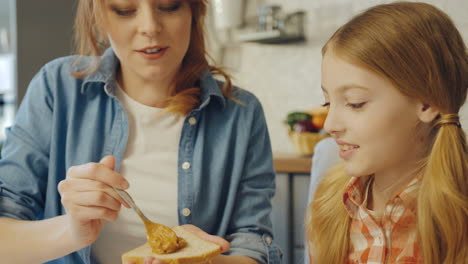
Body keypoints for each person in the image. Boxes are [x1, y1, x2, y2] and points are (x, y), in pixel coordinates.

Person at [0, 0, 282, 263]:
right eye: (124, 9)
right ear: (99, 17)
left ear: (194, 11)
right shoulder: (57, 88)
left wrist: (208, 260)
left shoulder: (241, 112)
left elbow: (253, 242)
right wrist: (72, 231)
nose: (150, 27)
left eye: (169, 6)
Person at [306, 2, 467, 264]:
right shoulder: (328, 205)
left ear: (426, 103)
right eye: (328, 102)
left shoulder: (459, 216)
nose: (330, 124)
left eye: (355, 102)